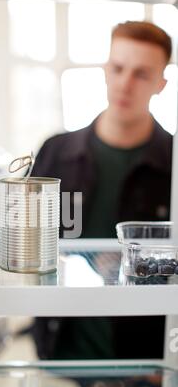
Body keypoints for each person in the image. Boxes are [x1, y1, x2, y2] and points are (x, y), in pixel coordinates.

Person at [30, 21, 173, 360]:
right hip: (61, 353)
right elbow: (24, 248)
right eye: (118, 68)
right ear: (105, 70)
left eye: (141, 74)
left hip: (150, 359)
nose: (125, 84)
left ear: (161, 84)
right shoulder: (55, 151)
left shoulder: (174, 162)